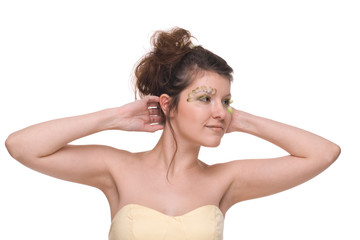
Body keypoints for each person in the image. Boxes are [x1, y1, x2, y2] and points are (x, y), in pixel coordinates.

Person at [5, 27, 341, 240]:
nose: (219, 111)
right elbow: (21, 146)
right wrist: (114, 117)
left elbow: (323, 153)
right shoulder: (116, 169)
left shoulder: (227, 180)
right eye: (205, 98)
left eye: (226, 100)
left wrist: (240, 120)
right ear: (169, 104)